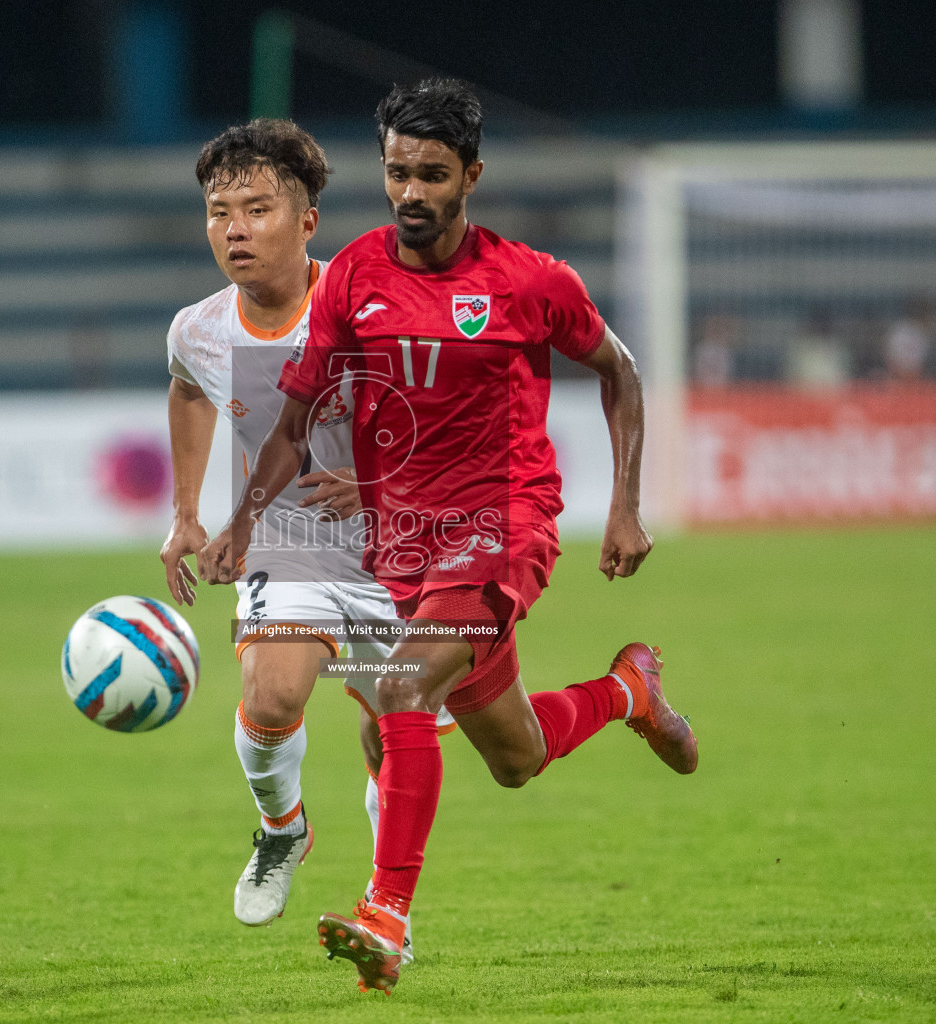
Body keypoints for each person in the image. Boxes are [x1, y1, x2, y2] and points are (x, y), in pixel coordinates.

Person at [197, 79, 698, 994]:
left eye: (432, 175)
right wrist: (242, 523)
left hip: (505, 522)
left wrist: (626, 503)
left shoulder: (531, 281)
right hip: (406, 542)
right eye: (396, 174)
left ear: (471, 175)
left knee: (397, 685)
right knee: (515, 758)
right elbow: (297, 418)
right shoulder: (354, 275)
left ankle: (387, 914)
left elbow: (618, 371)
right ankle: (628, 690)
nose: (411, 194)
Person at [161, 118, 452, 947]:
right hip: (289, 542)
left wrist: (378, 483)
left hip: (405, 549)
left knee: (391, 730)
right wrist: (187, 512)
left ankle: (381, 894)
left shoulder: (377, 309)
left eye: (257, 208)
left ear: (308, 221)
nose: (236, 229)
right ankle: (283, 829)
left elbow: (450, 422)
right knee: (273, 693)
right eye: (220, 211)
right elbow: (187, 390)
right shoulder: (199, 329)